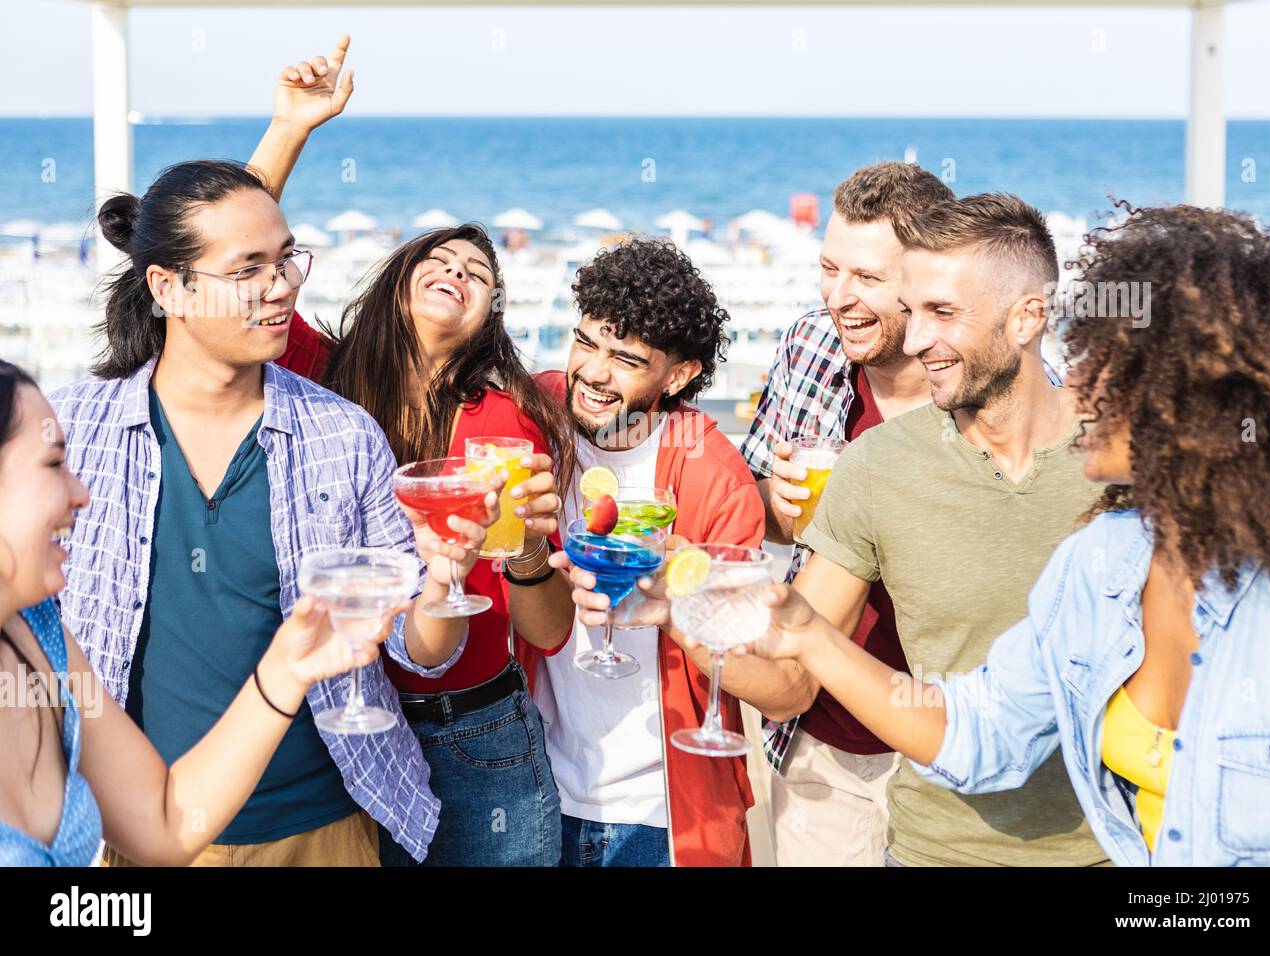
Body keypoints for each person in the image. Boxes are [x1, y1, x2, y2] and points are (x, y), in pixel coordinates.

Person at [734, 204, 1270, 865]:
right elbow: (980, 733)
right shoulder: (1101, 560)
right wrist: (804, 632)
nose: (1077, 380)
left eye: (1103, 361)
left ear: (1188, 391)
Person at [49, 158, 498, 867]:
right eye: (249, 269)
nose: (282, 286)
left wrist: (444, 583)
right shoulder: (74, 430)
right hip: (129, 831)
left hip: (320, 828)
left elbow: (422, 648)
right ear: (168, 288)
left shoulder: (341, 434)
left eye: (288, 260)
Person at [244, 38, 574, 866]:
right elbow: (235, 267)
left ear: (487, 316)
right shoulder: (321, 375)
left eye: (479, 273)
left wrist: (530, 550)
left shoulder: (504, 418)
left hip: (479, 733)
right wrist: (290, 128)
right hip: (347, 730)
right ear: (401, 278)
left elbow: (551, 628)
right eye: (443, 258)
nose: (459, 271)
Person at [749, 192, 1110, 866]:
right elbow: (792, 672)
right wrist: (692, 611)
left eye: (942, 313)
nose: (915, 341)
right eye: (912, 313)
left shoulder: (1122, 466)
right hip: (924, 844)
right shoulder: (876, 464)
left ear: (1029, 316)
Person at [0, 361, 399, 866]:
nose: (81, 494)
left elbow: (165, 822)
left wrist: (288, 668)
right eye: (54, 464)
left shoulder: (40, 636)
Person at [739, 161, 949, 866]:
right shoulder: (810, 344)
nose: (839, 297)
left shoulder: (997, 387)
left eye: (865, 278)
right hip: (822, 741)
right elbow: (760, 503)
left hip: (951, 745)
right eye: (829, 268)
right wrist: (775, 501)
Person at [538, 237, 766, 867]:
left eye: (626, 359)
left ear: (680, 374)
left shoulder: (716, 478)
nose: (593, 373)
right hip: (534, 794)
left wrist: (685, 606)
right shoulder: (534, 416)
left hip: (660, 816)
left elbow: (769, 679)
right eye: (587, 342)